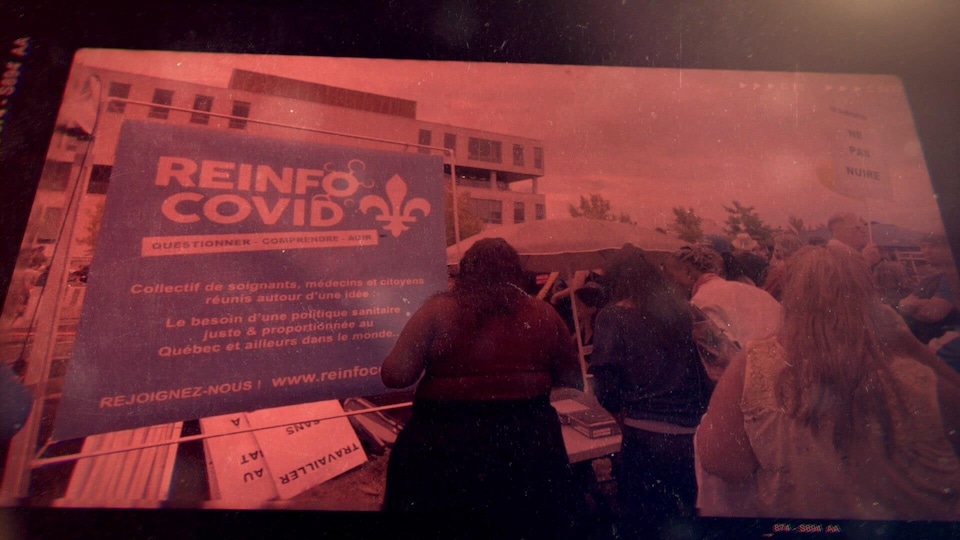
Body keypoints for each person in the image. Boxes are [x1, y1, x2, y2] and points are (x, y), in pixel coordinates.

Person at [696, 246, 960, 520]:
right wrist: (911, 346)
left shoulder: (753, 364)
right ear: (870, 300)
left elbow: (725, 464)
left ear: (790, 298)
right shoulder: (920, 380)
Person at [380, 238, 583, 531]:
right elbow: (573, 379)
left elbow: (396, 375)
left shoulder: (437, 311)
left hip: (445, 446)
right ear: (515, 273)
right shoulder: (543, 315)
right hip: (527, 446)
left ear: (467, 271)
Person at [588, 245, 710, 535]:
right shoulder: (681, 311)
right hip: (690, 438)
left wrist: (618, 415)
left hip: (644, 438)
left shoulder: (613, 317)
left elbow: (605, 383)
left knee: (644, 525)